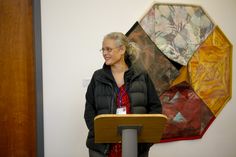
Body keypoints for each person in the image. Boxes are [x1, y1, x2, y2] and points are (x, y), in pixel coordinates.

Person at [84, 32, 162, 157]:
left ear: (122, 49)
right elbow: (89, 109)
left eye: (108, 49)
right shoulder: (98, 77)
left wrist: (146, 140)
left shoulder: (141, 75)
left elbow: (155, 107)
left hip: (137, 147)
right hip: (102, 149)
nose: (104, 53)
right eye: (103, 50)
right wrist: (99, 132)